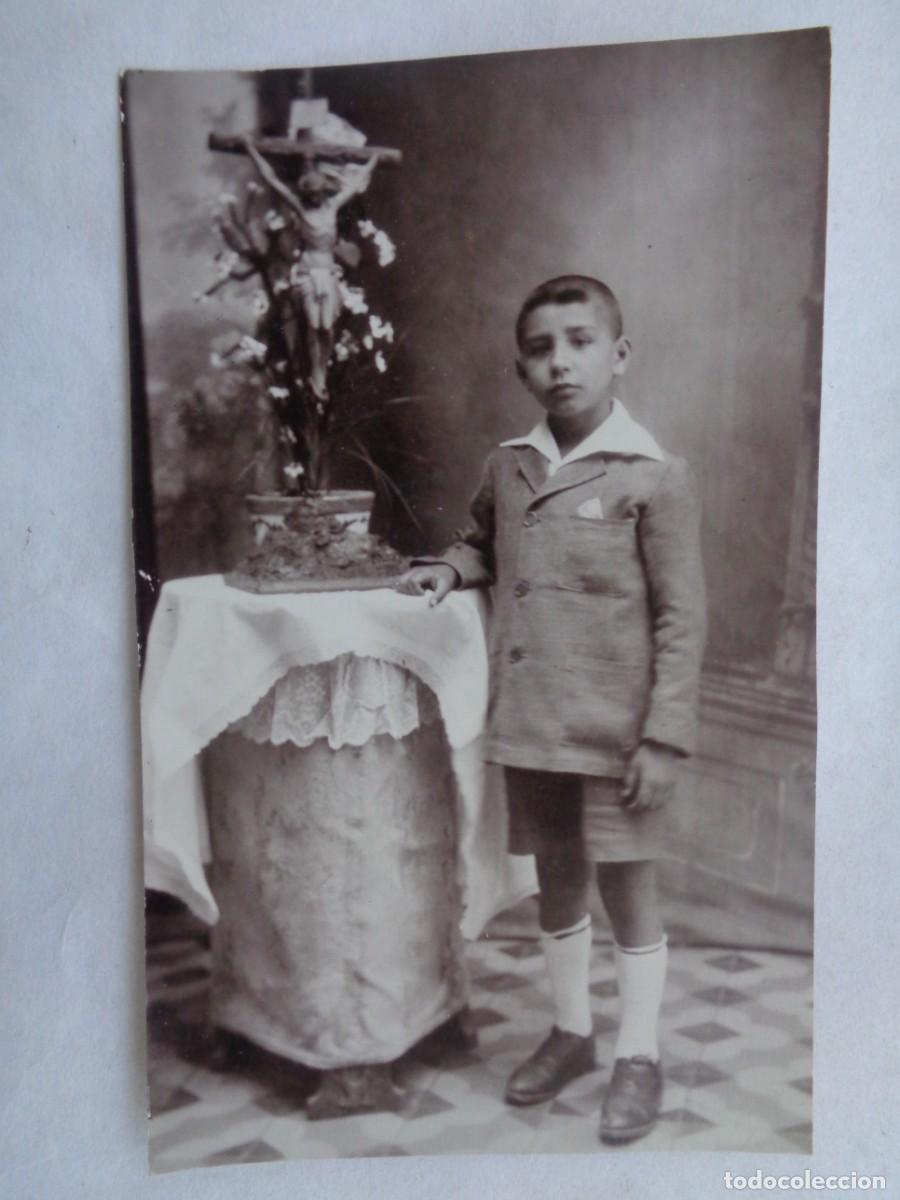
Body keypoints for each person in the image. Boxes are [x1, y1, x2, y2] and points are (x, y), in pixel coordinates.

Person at [395, 275, 706, 1143]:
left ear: (619, 354)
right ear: (521, 367)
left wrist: (664, 738)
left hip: (619, 737)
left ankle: (638, 1054)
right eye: (540, 347)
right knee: (556, 883)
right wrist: (451, 570)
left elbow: (684, 617)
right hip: (532, 725)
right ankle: (572, 1032)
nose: (560, 360)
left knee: (629, 890)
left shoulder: (654, 473)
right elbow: (483, 537)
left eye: (579, 340)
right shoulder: (511, 464)